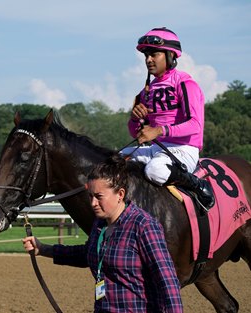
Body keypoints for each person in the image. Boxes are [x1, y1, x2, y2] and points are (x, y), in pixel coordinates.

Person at [22, 155, 183, 312]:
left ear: (120, 194)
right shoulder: (100, 224)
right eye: (90, 196)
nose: (93, 203)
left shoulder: (144, 226)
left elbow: (167, 281)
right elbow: (88, 253)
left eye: (99, 197)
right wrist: (43, 249)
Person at [121, 27, 214, 211]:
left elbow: (195, 125)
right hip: (156, 149)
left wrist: (159, 130)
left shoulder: (186, 84)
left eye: (154, 54)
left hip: (184, 150)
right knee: (114, 161)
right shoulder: (145, 92)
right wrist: (134, 120)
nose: (148, 60)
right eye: (146, 56)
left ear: (170, 56)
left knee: (155, 170)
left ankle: (197, 184)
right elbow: (137, 133)